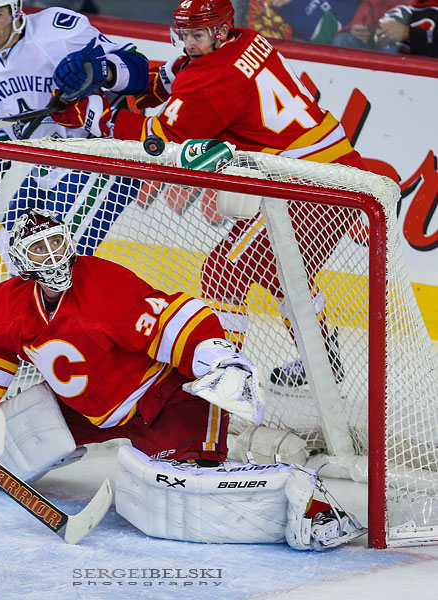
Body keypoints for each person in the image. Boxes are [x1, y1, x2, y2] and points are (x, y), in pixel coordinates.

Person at [0, 208, 365, 551]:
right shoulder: (4, 305)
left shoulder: (102, 284)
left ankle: (308, 503)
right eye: (39, 249)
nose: (52, 255)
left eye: (57, 241)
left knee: (169, 497)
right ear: (19, 260)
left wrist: (214, 354)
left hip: (166, 403)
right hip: (85, 410)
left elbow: (171, 318)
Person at [101, 0, 368, 387]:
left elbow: (163, 141)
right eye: (186, 34)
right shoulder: (250, 40)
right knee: (280, 273)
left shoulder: (213, 79)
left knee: (223, 272)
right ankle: (323, 362)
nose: (189, 44)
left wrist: (102, 119)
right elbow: (193, 77)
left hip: (310, 188)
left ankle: (227, 377)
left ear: (221, 32)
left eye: (197, 35)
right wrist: (155, 77)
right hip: (340, 177)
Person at [0, 0, 149, 253]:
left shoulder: (58, 31)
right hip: (47, 166)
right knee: (10, 249)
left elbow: (140, 71)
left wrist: (101, 69)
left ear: (16, 11)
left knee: (52, 254)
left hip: (104, 154)